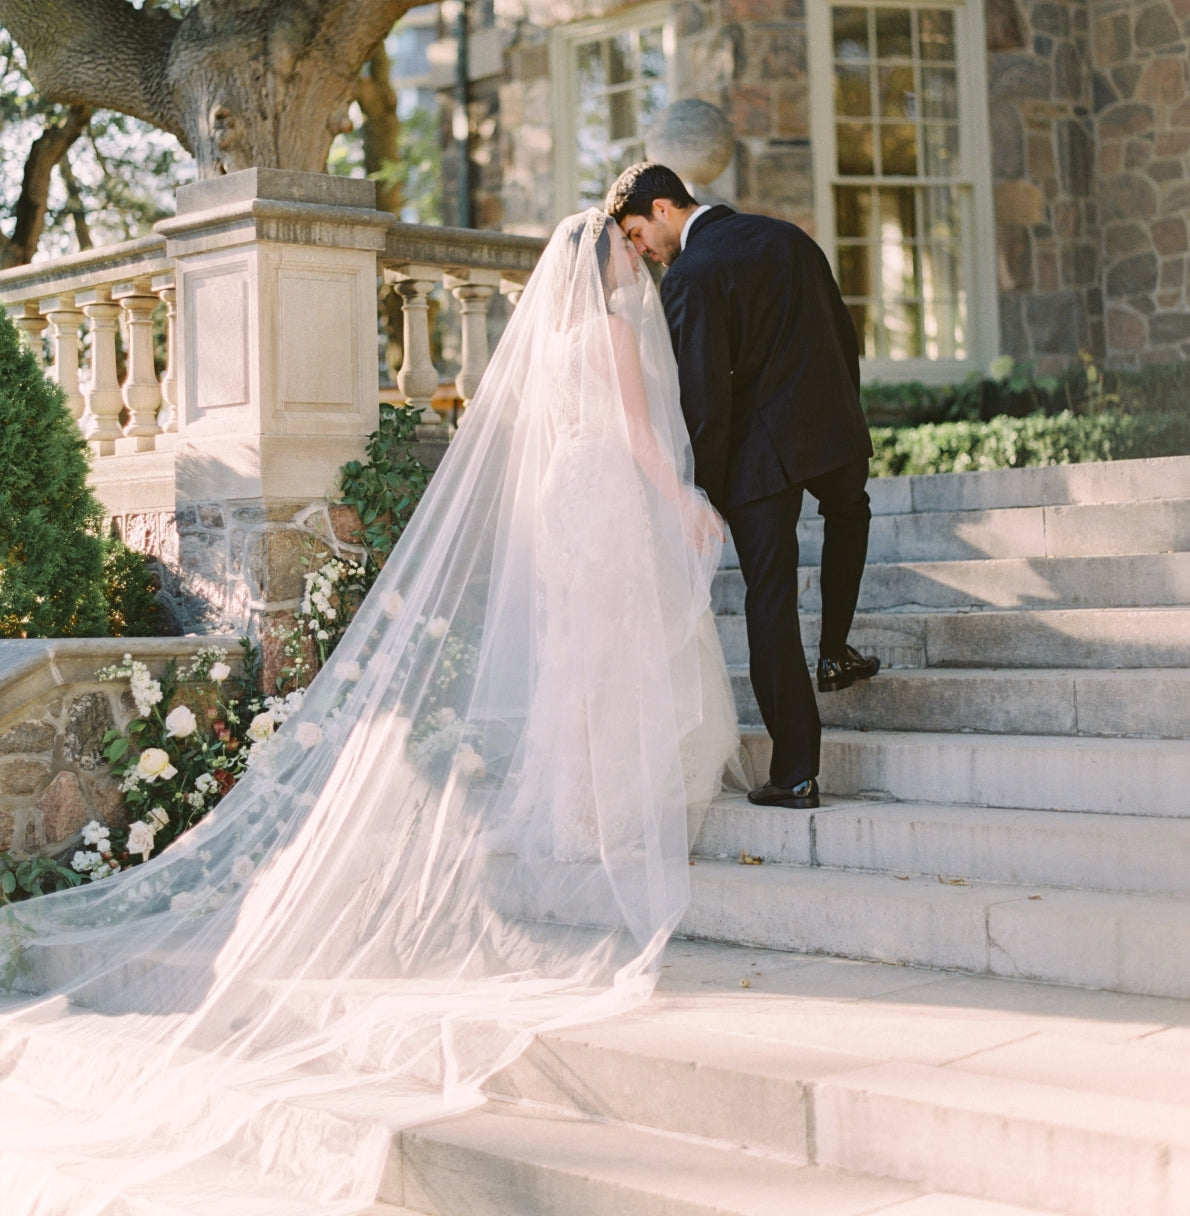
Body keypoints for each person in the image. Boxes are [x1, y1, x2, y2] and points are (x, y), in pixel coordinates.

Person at [0, 210, 737, 1215]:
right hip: (606, 488)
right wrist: (685, 502)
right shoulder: (608, 330)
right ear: (600, 260)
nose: (628, 259)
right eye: (618, 246)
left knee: (580, 657)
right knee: (609, 652)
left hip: (565, 494)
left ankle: (578, 807)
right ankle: (607, 808)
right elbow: (644, 436)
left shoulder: (551, 339)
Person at [607, 162, 878, 812]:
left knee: (770, 599)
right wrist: (846, 411)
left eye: (639, 233)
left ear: (665, 207)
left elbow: (705, 401)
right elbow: (843, 334)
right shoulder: (788, 237)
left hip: (763, 457)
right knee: (851, 512)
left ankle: (795, 772)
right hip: (833, 425)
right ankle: (836, 648)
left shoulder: (691, 278)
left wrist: (702, 493)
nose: (642, 250)